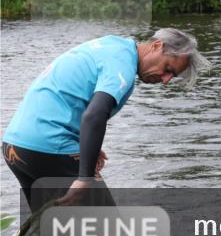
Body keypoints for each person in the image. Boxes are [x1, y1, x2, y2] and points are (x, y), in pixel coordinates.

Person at [2, 28, 208, 210]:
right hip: (49, 145)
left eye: (172, 77)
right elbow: (94, 115)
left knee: (53, 230)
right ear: (157, 46)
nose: (165, 80)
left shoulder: (113, 46)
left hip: (17, 147)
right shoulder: (123, 67)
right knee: (108, 233)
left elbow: (75, 98)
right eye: (168, 69)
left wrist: (86, 145)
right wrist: (84, 178)